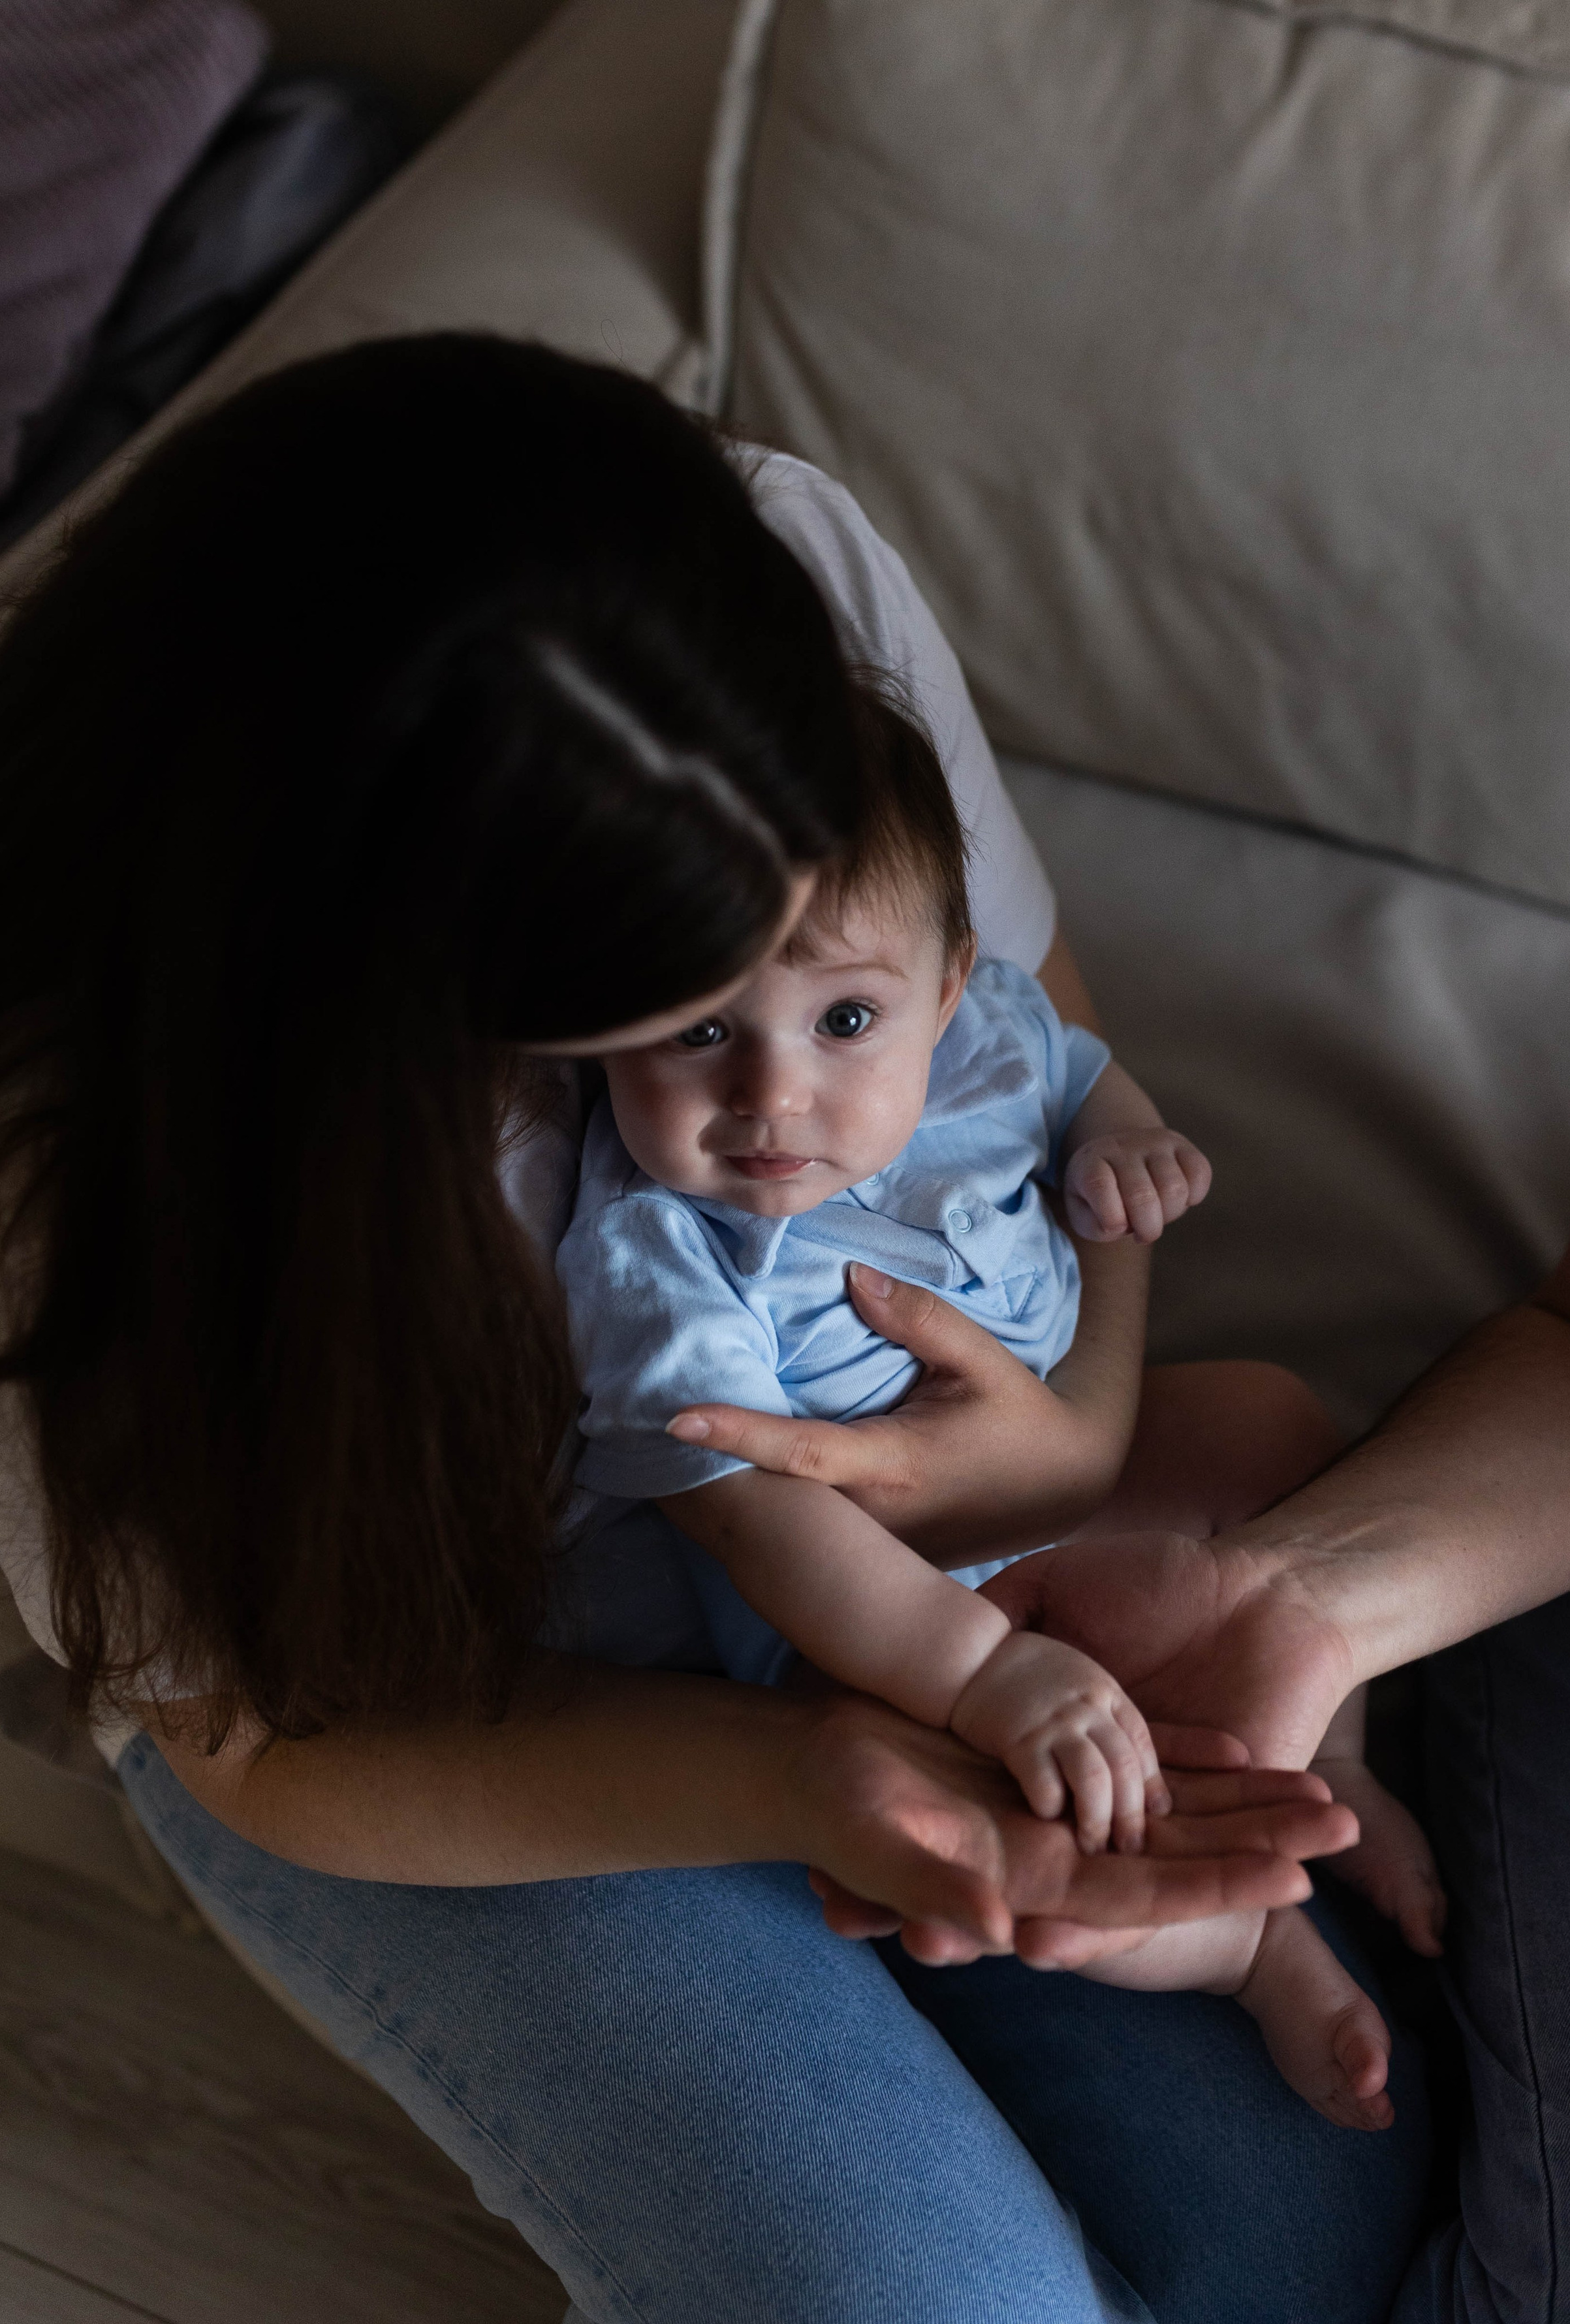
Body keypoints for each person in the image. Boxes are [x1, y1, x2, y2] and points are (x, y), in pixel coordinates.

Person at [0, 332, 1427, 2324]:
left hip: (902, 1542)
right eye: (677, 1030)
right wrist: (814, 1769)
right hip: (400, 1673)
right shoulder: (43, 1134)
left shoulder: (770, 580)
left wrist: (1066, 1437)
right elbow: (267, 1734)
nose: (774, 1104)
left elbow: (1017, 1047)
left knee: (1306, 2244)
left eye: (818, 998)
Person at [559, 686, 1441, 2133]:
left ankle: (1333, 1756)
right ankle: (1248, 1950)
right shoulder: (654, 1249)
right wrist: (983, 1676)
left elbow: (1082, 1074)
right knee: (1002, 1810)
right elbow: (762, 1529)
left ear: (948, 985)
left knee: (1272, 1425)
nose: (773, 1094)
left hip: (1065, 1468)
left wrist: (1121, 1146)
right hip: (872, 1615)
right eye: (699, 1029)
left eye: (846, 1018)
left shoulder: (986, 1044)